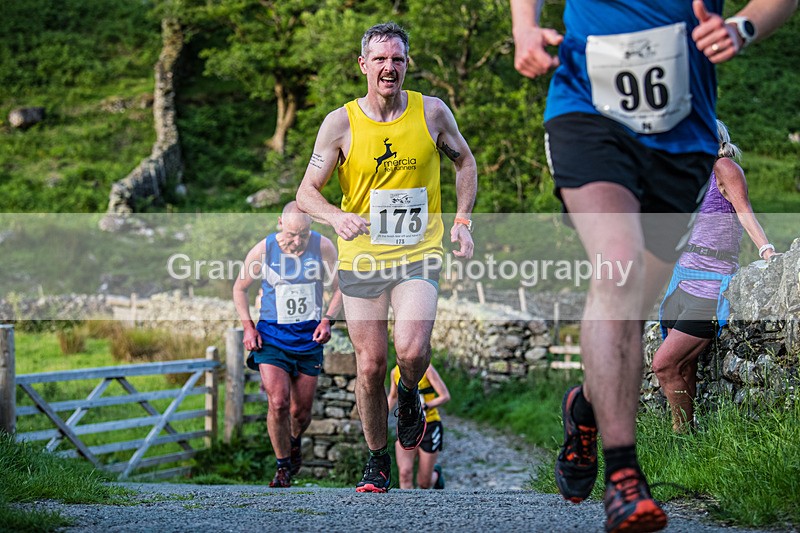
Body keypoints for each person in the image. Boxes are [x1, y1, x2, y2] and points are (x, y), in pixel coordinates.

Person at [510, 0, 796, 531]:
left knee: (634, 298)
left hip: (683, 127)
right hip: (587, 108)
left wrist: (744, 25)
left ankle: (586, 410)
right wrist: (523, 27)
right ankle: (624, 477)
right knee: (616, 265)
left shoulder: (720, 157)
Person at [296, 22, 477, 493]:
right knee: (372, 365)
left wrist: (462, 221)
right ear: (363, 66)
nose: (388, 67)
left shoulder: (432, 112)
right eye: (379, 59)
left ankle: (413, 394)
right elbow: (306, 192)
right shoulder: (340, 123)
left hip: (419, 250)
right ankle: (377, 461)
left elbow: (465, 162)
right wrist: (336, 218)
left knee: (412, 350)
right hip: (363, 257)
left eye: (396, 59)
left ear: (406, 64)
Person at [654, 120, 778, 433]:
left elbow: (743, 210)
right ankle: (688, 441)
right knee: (684, 367)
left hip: (711, 284)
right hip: (681, 281)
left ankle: (680, 435)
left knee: (664, 364)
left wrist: (766, 250)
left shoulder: (723, 167)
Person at [232, 201, 343, 488]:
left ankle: (294, 441)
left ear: (311, 229)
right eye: (292, 234)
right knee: (278, 402)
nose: (297, 242)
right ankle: (282, 467)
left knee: (300, 412)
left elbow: (340, 288)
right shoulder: (264, 250)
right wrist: (248, 326)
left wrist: (327, 320)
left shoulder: (323, 247)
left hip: (309, 340)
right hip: (271, 338)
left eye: (303, 235)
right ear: (280, 223)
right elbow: (240, 288)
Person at [387, 363, 450, 490]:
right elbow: (393, 397)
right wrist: (380, 418)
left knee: (424, 483)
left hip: (430, 425)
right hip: (407, 427)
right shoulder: (395, 372)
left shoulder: (427, 369)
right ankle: (407, 507)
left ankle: (436, 475)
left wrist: (424, 406)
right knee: (404, 473)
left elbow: (445, 396)